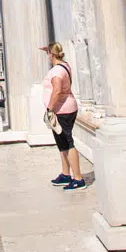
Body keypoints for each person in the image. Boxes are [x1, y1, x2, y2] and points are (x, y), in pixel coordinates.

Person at [42, 42, 84, 189]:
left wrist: (50, 109)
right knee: (61, 142)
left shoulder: (56, 72)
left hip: (62, 110)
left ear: (51, 55)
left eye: (48, 53)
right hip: (66, 107)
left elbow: (57, 90)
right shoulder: (65, 66)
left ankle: (78, 178)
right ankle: (66, 174)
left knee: (67, 141)